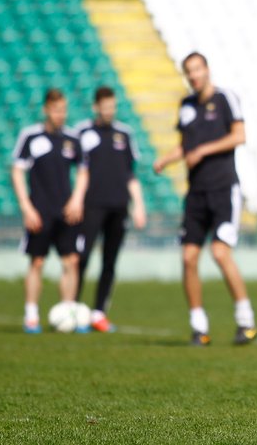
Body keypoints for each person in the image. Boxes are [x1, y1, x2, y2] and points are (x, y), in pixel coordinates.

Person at [153, 52, 257, 346]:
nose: (194, 75)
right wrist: (167, 159)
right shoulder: (186, 106)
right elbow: (186, 147)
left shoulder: (226, 98)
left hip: (224, 190)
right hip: (196, 193)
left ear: (207, 70)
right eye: (189, 71)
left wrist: (205, 150)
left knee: (220, 253)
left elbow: (239, 136)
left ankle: (246, 320)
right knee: (188, 257)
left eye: (198, 69)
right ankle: (199, 326)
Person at [11, 88, 88, 334]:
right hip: (40, 210)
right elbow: (17, 171)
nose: (60, 115)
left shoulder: (72, 138)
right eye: (56, 110)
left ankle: (69, 311)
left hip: (66, 211)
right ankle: (31, 314)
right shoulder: (31, 136)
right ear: (46, 110)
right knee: (38, 261)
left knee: (72, 261)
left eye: (64, 110)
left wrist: (77, 199)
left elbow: (84, 171)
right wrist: (26, 206)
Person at [74, 86, 147, 333]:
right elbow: (77, 169)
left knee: (110, 261)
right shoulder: (82, 132)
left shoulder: (124, 134)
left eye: (112, 107)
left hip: (118, 207)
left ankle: (99, 313)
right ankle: (73, 308)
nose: (109, 111)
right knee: (81, 258)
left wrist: (139, 205)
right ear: (96, 107)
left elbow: (130, 175)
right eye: (105, 107)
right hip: (91, 206)